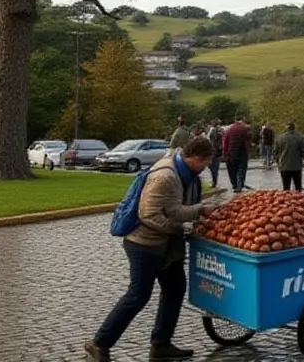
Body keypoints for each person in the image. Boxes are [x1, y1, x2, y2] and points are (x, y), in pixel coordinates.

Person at [85, 137, 215, 362]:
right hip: (144, 244)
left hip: (166, 245)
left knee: (175, 289)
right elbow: (149, 215)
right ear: (194, 157)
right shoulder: (165, 176)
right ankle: (99, 343)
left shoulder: (188, 175)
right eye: (204, 162)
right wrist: (190, 220)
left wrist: (195, 215)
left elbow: (175, 209)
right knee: (138, 296)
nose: (206, 167)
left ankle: (161, 344)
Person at [221, 117, 252, 193]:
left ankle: (235, 185)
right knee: (241, 169)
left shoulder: (229, 130)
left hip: (231, 152)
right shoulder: (245, 130)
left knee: (233, 170)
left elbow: (225, 142)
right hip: (242, 152)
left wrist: (224, 154)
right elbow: (248, 141)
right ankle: (240, 185)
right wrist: (249, 151)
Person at [276, 122, 304, 191]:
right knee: (298, 186)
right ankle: (298, 200)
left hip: (284, 166)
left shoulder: (280, 138)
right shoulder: (301, 137)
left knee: (286, 187)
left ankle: (287, 200)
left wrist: (278, 162)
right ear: (295, 128)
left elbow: (276, 152)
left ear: (286, 128)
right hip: (296, 166)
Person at [206, 121, 223, 189]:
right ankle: (214, 181)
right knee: (213, 168)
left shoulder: (214, 131)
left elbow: (213, 141)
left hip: (214, 152)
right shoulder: (216, 131)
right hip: (214, 152)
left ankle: (214, 182)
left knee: (213, 168)